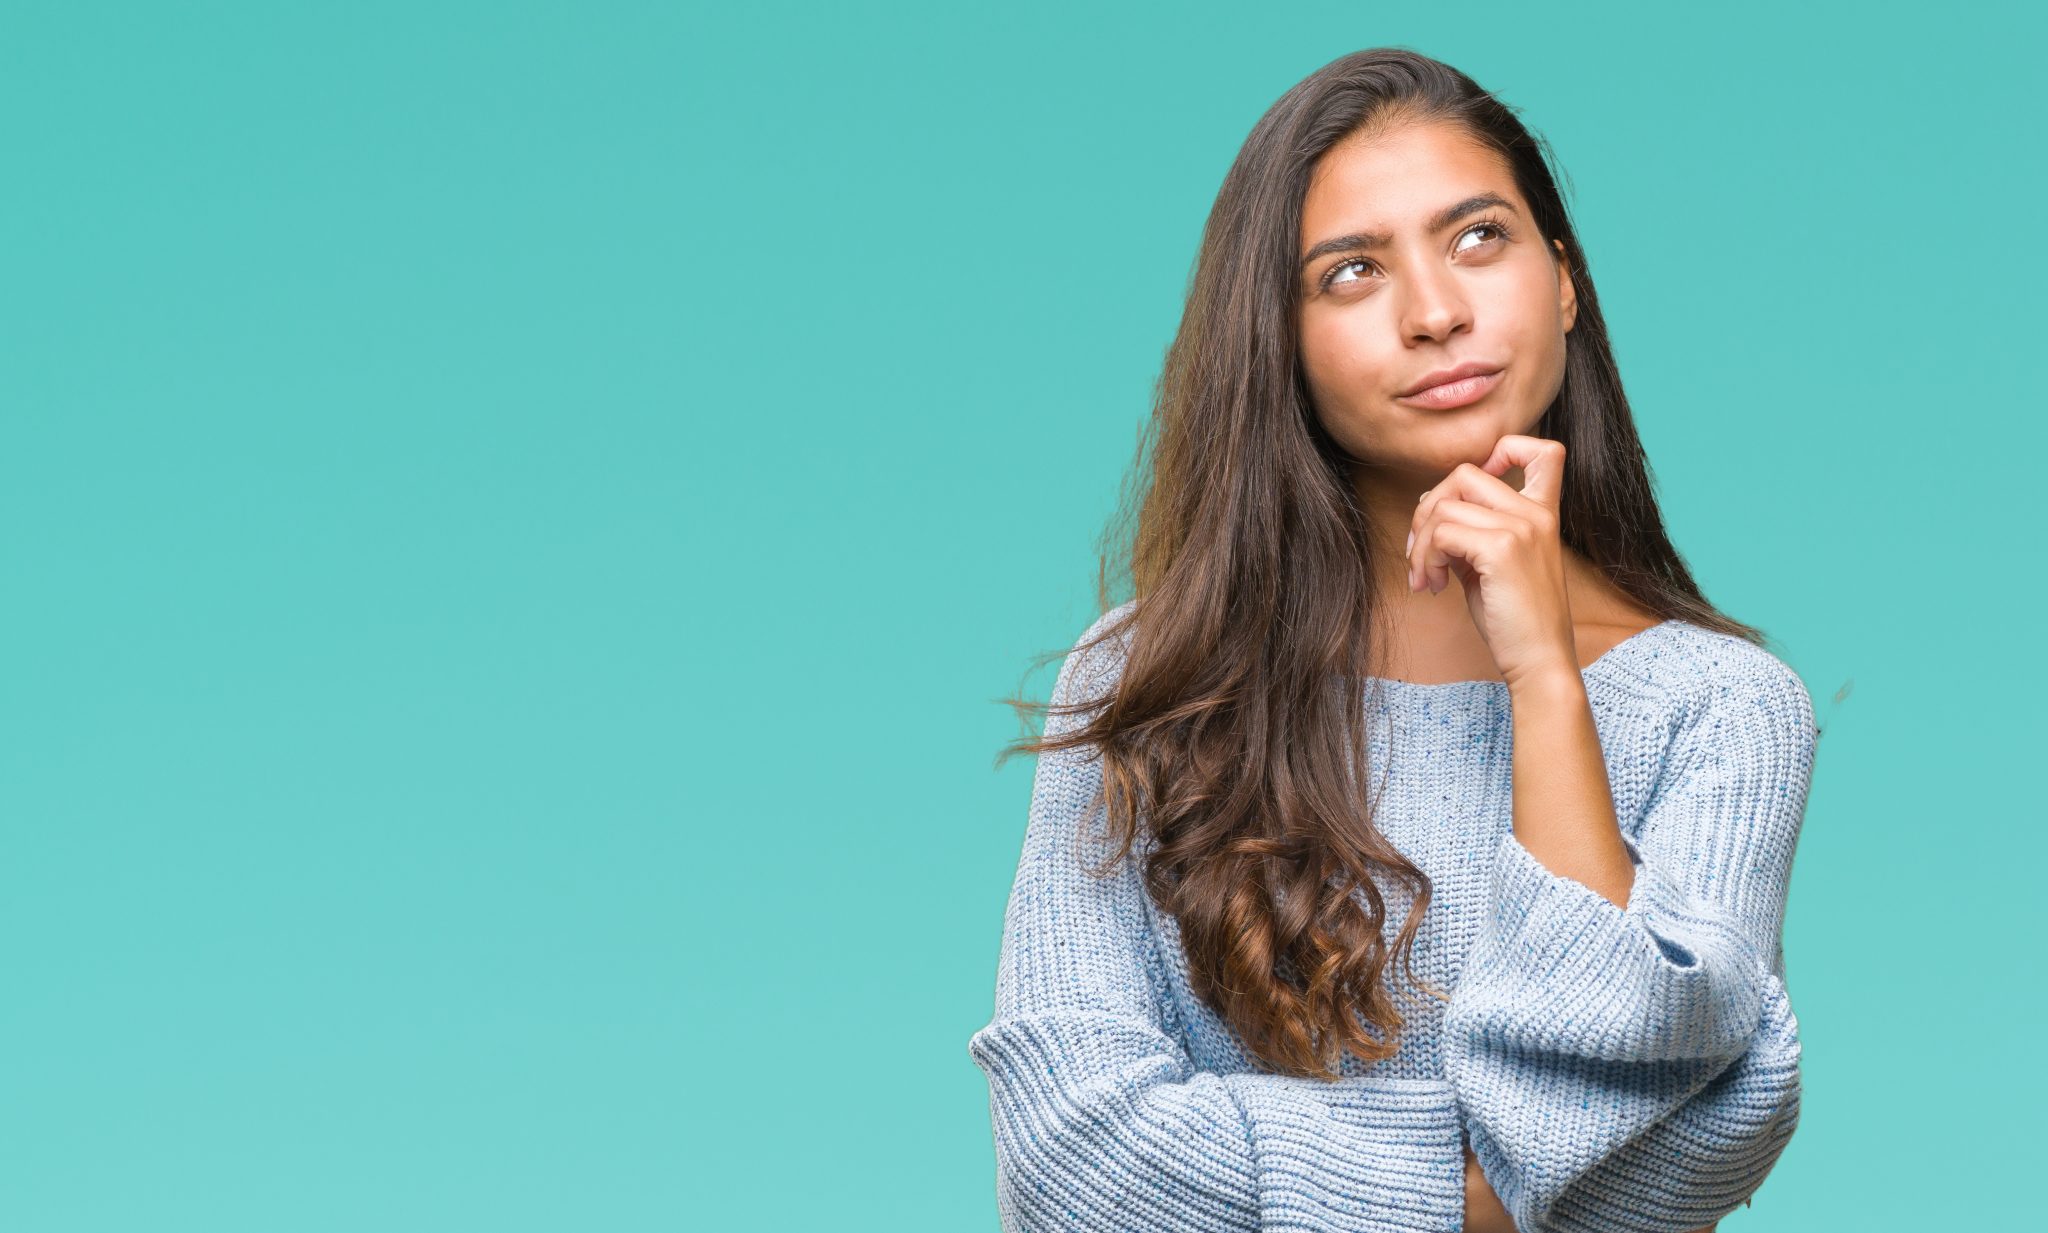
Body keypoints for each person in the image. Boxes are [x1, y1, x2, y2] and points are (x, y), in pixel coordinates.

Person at [965, 46, 1817, 1233]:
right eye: (1352, 272)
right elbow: (1075, 1161)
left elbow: (1658, 1139)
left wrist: (1541, 678)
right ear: (1283, 344)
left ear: (1562, 283)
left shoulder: (1722, 707)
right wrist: (1486, 1189)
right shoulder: (1143, 679)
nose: (1434, 312)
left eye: (1477, 237)